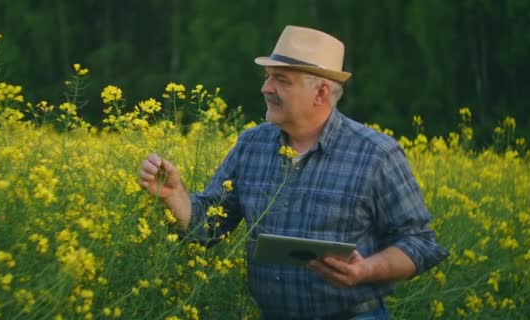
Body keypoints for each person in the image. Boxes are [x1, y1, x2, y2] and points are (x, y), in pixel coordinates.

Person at [139, 25, 448, 319]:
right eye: (267, 77)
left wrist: (365, 270)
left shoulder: (376, 154)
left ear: (321, 93)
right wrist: (174, 195)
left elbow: (420, 243)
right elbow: (210, 226)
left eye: (281, 80)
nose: (266, 88)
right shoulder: (252, 144)